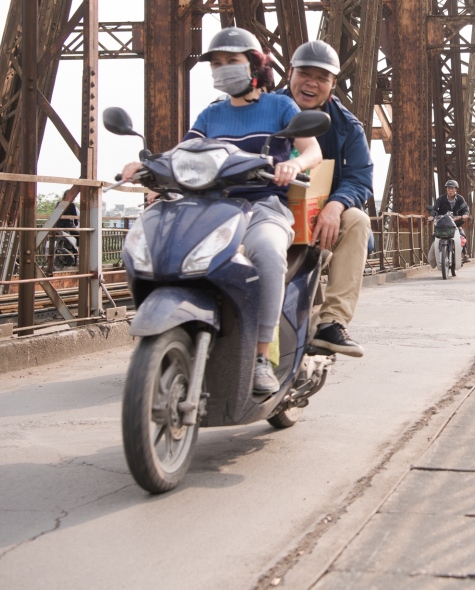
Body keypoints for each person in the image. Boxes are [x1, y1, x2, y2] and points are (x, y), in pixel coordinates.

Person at [121, 27, 324, 395]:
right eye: (216, 63)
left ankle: (261, 356)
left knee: (267, 250)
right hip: (211, 207)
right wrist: (145, 164)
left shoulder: (279, 106)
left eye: (232, 61)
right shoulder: (211, 114)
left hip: (263, 205)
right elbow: (184, 153)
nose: (222, 69)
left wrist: (295, 165)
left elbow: (313, 150)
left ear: (254, 66)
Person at [281, 40, 372, 357]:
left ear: (333, 84)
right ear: (289, 72)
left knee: (357, 220)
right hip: (269, 209)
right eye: (304, 73)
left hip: (319, 219)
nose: (311, 83)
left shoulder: (347, 126)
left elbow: (360, 176)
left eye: (321, 78)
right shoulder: (266, 109)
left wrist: (337, 204)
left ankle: (331, 322)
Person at [428, 179, 470, 263]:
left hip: (456, 224)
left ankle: (464, 255)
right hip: (443, 224)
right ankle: (437, 254)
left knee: (462, 236)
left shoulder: (460, 199)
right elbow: (435, 208)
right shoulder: (441, 198)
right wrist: (432, 216)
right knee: (435, 236)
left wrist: (465, 214)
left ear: (456, 189)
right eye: (448, 188)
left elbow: (465, 209)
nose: (450, 190)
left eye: (452, 188)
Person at [53, 189, 79, 268]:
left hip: (59, 226)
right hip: (69, 226)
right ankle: (77, 254)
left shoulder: (59, 203)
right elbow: (75, 217)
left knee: (52, 238)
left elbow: (55, 215)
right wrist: (76, 223)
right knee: (80, 238)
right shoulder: (71, 205)